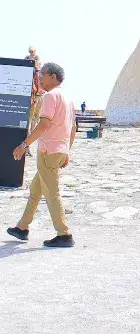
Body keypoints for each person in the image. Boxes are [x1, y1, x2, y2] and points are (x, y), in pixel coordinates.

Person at [7, 62, 77, 248]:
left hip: (48, 151)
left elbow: (44, 125)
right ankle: (22, 227)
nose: (39, 78)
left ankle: (64, 234)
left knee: (52, 193)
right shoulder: (68, 97)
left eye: (42, 74)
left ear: (53, 77)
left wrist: (24, 145)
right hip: (59, 151)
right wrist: (66, 151)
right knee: (36, 189)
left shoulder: (50, 96)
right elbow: (72, 128)